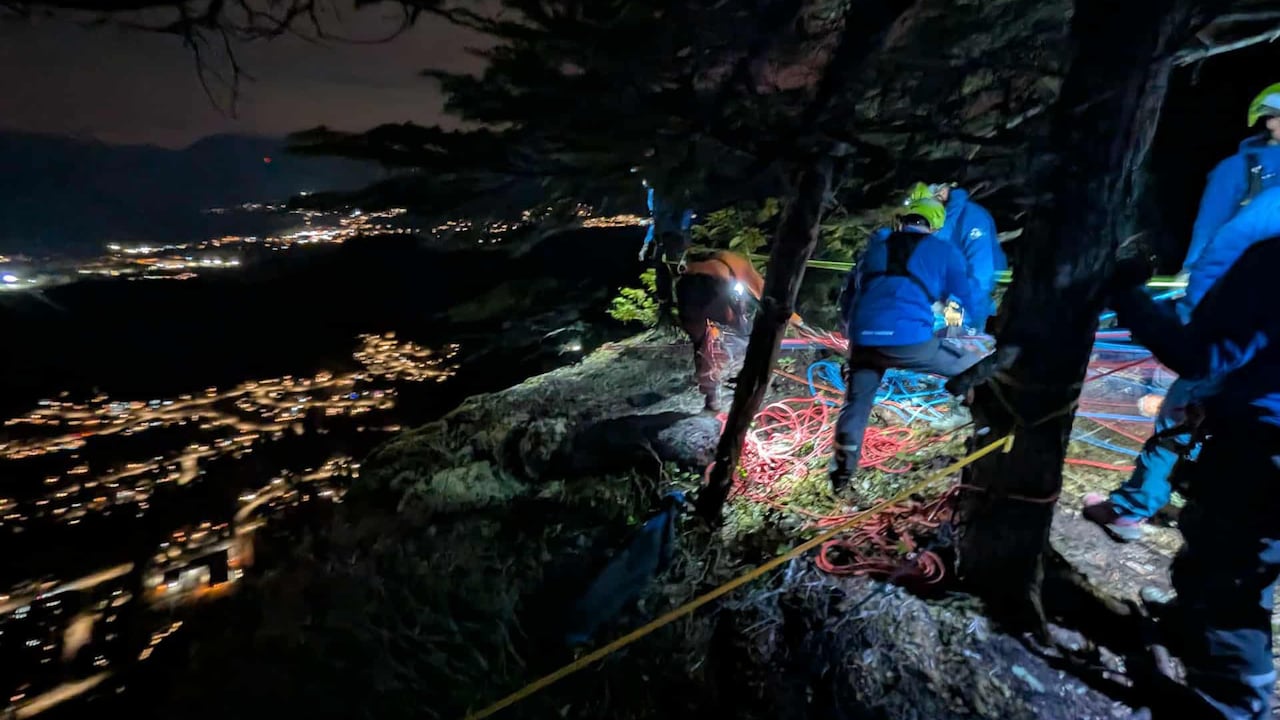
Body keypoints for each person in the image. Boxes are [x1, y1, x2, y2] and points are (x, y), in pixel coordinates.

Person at [1083, 86, 1280, 541]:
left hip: (1234, 328)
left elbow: (1212, 249)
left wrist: (1179, 316)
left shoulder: (1249, 182)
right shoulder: (1249, 178)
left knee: (1180, 413)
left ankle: (1135, 508)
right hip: (1251, 337)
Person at [1107, 240, 1280, 720]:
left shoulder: (1272, 260)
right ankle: (1191, 629)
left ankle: (1230, 704)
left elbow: (1201, 352)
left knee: (1233, 575)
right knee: (1215, 546)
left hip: (1262, 446)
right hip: (1257, 438)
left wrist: (1126, 293)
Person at [829, 198, 986, 491]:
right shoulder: (942, 250)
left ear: (903, 220)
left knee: (856, 403)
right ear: (935, 225)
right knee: (977, 367)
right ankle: (986, 438)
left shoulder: (874, 247)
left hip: (864, 341)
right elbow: (962, 297)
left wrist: (854, 335)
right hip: (909, 340)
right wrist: (953, 331)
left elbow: (849, 295)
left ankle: (840, 477)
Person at [673, 250, 765, 412]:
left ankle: (711, 396)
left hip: (686, 288)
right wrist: (795, 321)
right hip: (710, 287)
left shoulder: (702, 258)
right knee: (744, 334)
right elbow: (761, 290)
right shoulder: (740, 264)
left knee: (701, 344)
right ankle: (745, 380)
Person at [908, 181, 1006, 331]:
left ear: (945, 189)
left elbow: (981, 272)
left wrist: (956, 307)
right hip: (934, 304)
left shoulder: (973, 217)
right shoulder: (931, 217)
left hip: (967, 303)